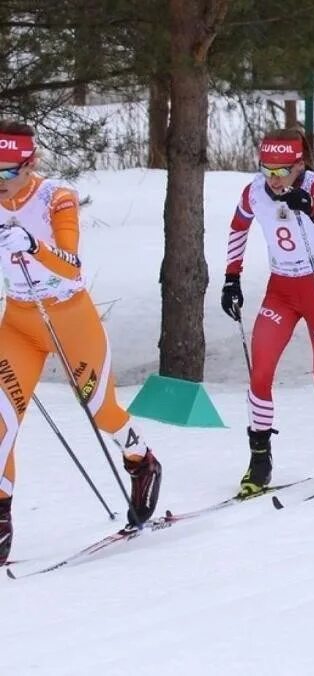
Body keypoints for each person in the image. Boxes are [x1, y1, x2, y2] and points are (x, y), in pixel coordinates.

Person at [0, 121, 163, 562]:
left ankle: (141, 460)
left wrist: (32, 244)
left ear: (29, 164)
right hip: (19, 322)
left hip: (69, 316)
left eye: (6, 173)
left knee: (100, 410)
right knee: (0, 423)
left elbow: (71, 266)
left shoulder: (56, 197)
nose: (0, 183)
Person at [222, 129, 314, 495]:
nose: (275, 177)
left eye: (283, 169)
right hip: (281, 289)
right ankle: (259, 460)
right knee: (260, 371)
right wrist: (231, 278)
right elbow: (238, 228)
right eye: (267, 168)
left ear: (300, 164)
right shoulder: (254, 190)